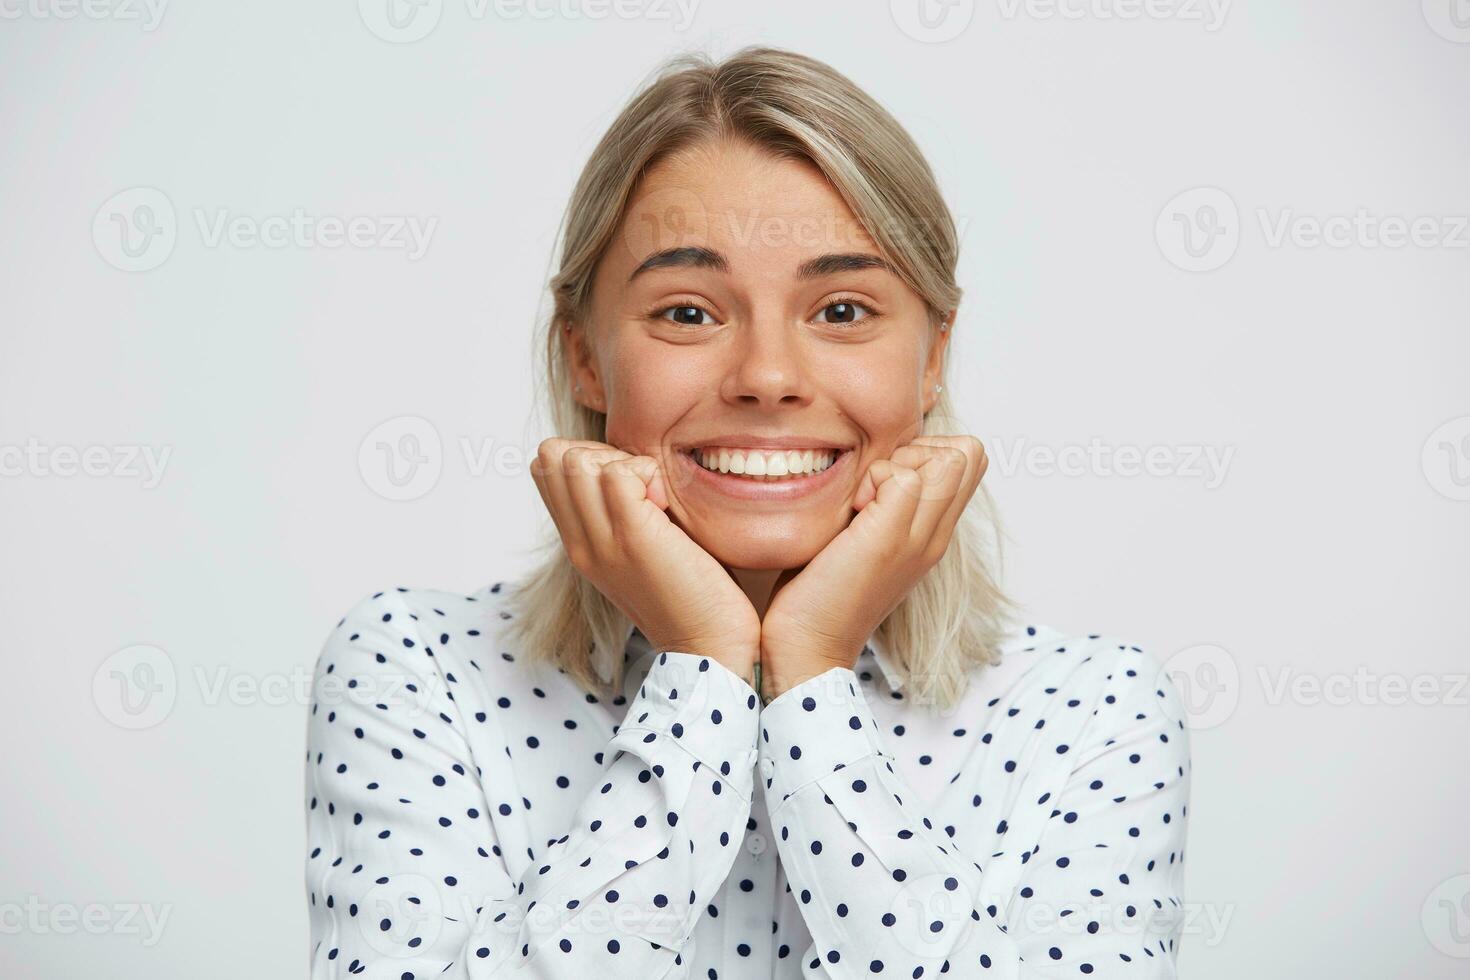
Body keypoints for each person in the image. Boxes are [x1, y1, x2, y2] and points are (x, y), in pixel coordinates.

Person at [304, 45, 1191, 979]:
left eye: (842, 310)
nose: (768, 378)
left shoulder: (1093, 714)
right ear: (586, 357)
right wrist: (701, 669)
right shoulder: (417, 669)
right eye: (688, 313)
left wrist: (811, 676)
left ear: (933, 357)